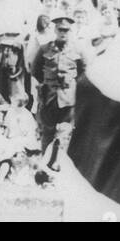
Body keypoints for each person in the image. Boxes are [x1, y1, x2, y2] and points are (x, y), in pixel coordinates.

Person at [33, 14, 87, 151]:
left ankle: (62, 164)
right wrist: (48, 82)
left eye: (66, 30)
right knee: (48, 132)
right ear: (55, 31)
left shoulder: (78, 49)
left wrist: (72, 85)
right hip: (49, 97)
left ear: (70, 31)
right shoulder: (45, 48)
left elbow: (83, 72)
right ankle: (46, 164)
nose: (63, 33)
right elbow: (35, 70)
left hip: (68, 99)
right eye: (60, 30)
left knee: (66, 133)